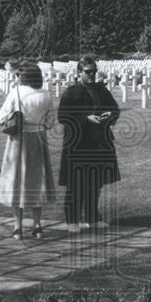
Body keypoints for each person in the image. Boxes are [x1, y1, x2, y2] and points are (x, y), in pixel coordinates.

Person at [57, 57, 121, 232]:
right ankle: (72, 220)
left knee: (96, 182)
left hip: (100, 143)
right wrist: (86, 119)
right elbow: (63, 117)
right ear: (79, 72)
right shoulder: (71, 93)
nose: (92, 75)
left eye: (94, 71)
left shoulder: (101, 90)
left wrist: (110, 115)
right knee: (76, 183)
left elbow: (115, 109)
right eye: (88, 72)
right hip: (78, 144)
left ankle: (92, 218)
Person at [0, 61, 58, 239]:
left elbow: (0, 119)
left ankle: (17, 226)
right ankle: (37, 225)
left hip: (18, 140)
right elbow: (50, 122)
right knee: (37, 182)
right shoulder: (45, 95)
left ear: (22, 77)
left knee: (17, 183)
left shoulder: (15, 93)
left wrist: (15, 117)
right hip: (38, 140)